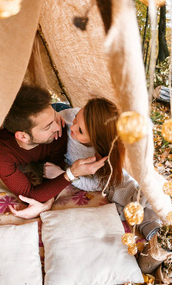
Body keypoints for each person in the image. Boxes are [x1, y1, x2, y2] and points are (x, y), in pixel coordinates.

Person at [43, 98, 161, 240]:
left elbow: (97, 184)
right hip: (61, 109)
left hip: (78, 158)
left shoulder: (99, 157)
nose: (72, 128)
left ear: (96, 141)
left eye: (80, 131)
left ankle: (148, 218)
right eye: (76, 119)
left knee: (124, 186)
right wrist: (57, 119)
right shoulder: (69, 117)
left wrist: (65, 175)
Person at [0, 84, 107, 218]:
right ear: (23, 137)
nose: (58, 126)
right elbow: (29, 194)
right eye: (48, 126)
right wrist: (71, 174)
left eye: (53, 118)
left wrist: (47, 202)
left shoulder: (58, 130)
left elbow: (53, 175)